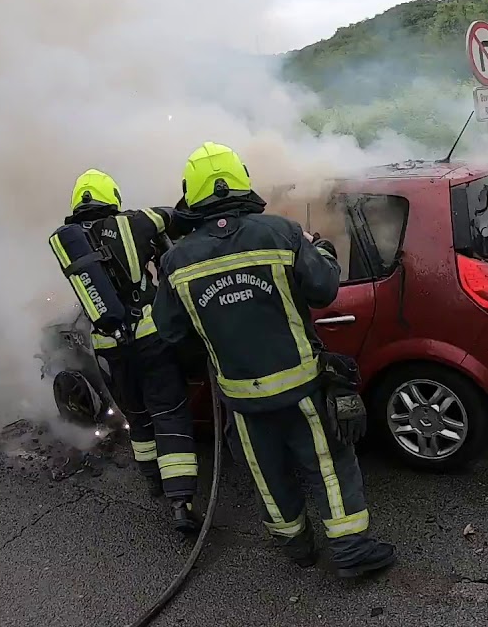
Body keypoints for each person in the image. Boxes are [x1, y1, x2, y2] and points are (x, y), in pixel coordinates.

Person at [152, 142, 396, 578]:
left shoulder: (176, 261)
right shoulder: (280, 233)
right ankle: (351, 552)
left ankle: (298, 549)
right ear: (242, 178)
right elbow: (324, 289)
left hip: (242, 402)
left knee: (268, 475)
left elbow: (171, 332)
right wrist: (317, 247)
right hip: (303, 388)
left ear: (191, 193)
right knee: (329, 464)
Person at [52, 169, 202, 535]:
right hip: (150, 338)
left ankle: (153, 482)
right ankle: (181, 503)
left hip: (108, 348)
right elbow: (178, 217)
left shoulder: (69, 241)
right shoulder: (138, 222)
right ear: (113, 197)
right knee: (169, 414)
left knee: (137, 415)